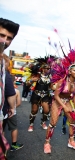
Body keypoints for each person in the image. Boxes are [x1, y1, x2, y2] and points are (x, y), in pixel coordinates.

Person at [43, 49, 75, 154]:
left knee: (72, 121)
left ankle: (71, 141)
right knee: (53, 123)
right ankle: (47, 143)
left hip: (67, 101)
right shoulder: (62, 81)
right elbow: (56, 96)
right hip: (58, 101)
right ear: (70, 71)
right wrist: (64, 106)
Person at [0, 17, 19, 159]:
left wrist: (11, 107)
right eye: (1, 35)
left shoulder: (3, 61)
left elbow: (8, 89)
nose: (4, 41)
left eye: (9, 38)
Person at [28, 57, 52, 132]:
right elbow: (27, 83)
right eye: (47, 68)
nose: (48, 70)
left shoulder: (50, 77)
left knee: (46, 111)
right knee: (34, 111)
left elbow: (51, 87)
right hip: (36, 94)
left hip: (45, 95)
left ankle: (43, 122)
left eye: (49, 68)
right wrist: (31, 80)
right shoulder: (37, 75)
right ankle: (31, 124)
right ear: (42, 68)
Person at [3, 75, 23, 151]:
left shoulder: (2, 90)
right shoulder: (16, 91)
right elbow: (19, 103)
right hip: (12, 113)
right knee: (14, 128)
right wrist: (13, 108)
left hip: (3, 112)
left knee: (2, 129)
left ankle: (3, 145)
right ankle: (14, 145)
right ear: (13, 81)